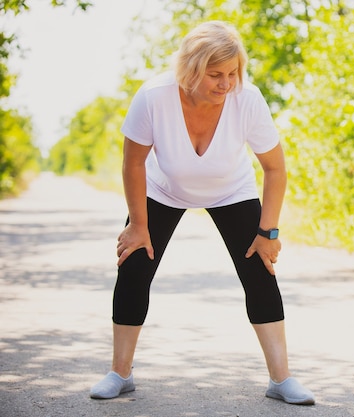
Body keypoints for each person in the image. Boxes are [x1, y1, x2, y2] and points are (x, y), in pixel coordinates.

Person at [89, 20, 315, 406]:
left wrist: (269, 232)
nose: (226, 84)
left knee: (259, 270)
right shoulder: (154, 96)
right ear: (190, 70)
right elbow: (133, 164)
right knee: (134, 265)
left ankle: (281, 379)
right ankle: (120, 373)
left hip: (232, 189)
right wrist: (139, 226)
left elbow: (275, 168)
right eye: (215, 75)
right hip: (164, 189)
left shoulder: (248, 99)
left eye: (232, 74)